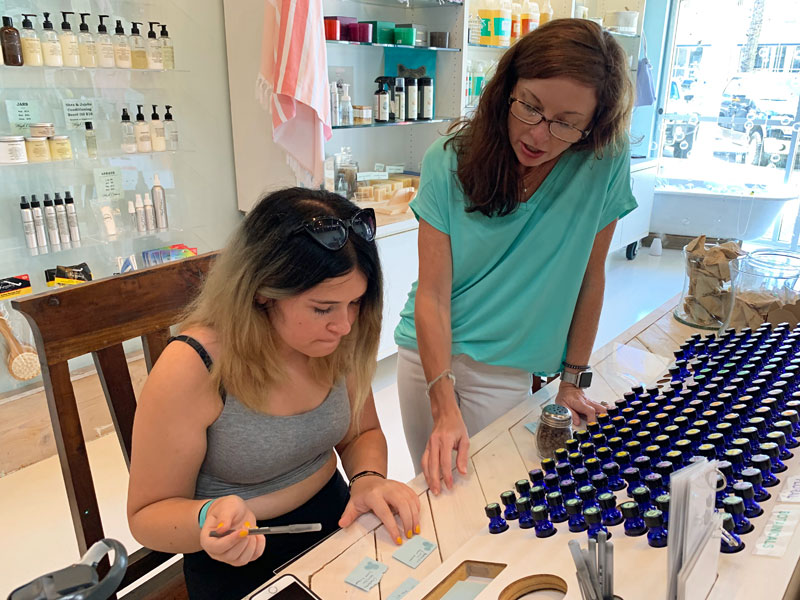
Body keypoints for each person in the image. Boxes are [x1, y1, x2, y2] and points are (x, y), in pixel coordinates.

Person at [127, 188, 420, 600]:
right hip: (237, 552)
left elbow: (361, 433)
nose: (346, 326)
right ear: (264, 290)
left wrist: (368, 479)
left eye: (355, 303)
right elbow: (146, 515)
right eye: (323, 308)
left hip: (336, 521)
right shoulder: (194, 368)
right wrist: (208, 519)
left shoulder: (335, 340)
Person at [394, 19, 637, 494]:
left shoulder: (604, 159)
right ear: (508, 89)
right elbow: (433, 294)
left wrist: (572, 381)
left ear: (593, 126)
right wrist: (442, 404)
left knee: (500, 496)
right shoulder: (449, 158)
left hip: (507, 369)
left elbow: (591, 279)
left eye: (566, 123)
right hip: (428, 355)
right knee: (442, 498)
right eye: (530, 106)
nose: (539, 134)